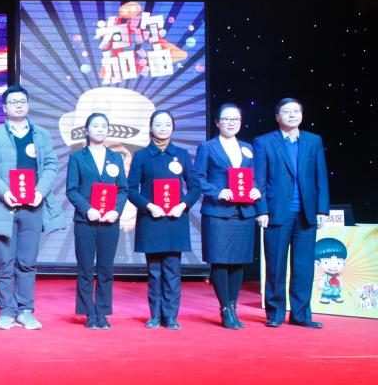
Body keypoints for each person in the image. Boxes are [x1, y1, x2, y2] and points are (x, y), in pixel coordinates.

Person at [0, 85, 65, 330]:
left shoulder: (42, 135)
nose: (18, 105)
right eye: (13, 102)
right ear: (4, 108)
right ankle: (6, 311)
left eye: (22, 101)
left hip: (32, 206)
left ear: (28, 105)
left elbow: (51, 165)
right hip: (3, 206)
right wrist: (5, 192)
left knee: (27, 262)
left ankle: (26, 310)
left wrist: (40, 192)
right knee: (4, 262)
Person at [254, 98, 329, 328]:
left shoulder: (313, 141)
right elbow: (259, 179)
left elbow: (321, 176)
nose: (292, 115)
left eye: (296, 111)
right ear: (277, 117)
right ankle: (275, 313)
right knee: (276, 266)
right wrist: (261, 209)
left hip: (306, 213)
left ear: (302, 115)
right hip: (277, 212)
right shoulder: (264, 142)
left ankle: (301, 315)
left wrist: (322, 209)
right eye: (287, 111)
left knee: (304, 267)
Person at [127, 109, 201, 330]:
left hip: (175, 219)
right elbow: (131, 189)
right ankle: (155, 315)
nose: (163, 128)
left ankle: (171, 316)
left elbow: (195, 187)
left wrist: (182, 205)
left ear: (173, 128)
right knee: (154, 271)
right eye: (158, 124)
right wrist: (149, 206)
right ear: (150, 127)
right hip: (151, 219)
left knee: (172, 270)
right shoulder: (141, 155)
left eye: (167, 124)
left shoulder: (182, 154)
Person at [193, 103, 260, 329]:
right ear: (217, 122)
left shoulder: (247, 148)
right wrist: (217, 192)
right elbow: (197, 178)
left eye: (235, 119)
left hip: (244, 212)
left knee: (239, 261)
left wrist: (256, 190)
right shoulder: (207, 147)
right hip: (218, 212)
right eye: (226, 119)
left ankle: (233, 306)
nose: (231, 123)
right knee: (220, 260)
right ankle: (224, 308)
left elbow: (256, 177)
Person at [64, 113, 128, 330]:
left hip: (109, 221)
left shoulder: (116, 157)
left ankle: (102, 312)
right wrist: (88, 209)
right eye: (95, 125)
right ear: (87, 130)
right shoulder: (77, 157)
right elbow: (71, 190)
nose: (100, 129)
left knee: (106, 268)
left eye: (103, 126)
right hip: (86, 221)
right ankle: (89, 313)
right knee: (85, 268)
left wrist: (116, 211)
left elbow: (123, 189)